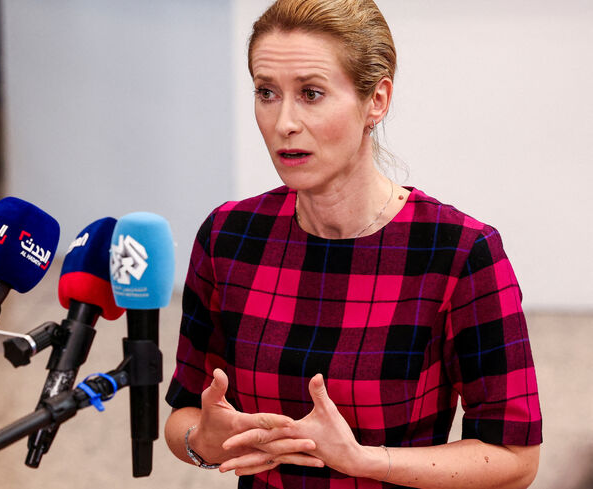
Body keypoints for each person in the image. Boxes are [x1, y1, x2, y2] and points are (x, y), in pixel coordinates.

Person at [163, 0, 542, 488]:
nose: (284, 123)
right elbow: (183, 416)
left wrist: (364, 460)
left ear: (376, 101)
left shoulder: (459, 251)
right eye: (267, 92)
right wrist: (205, 442)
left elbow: (515, 459)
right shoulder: (229, 234)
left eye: (312, 94)